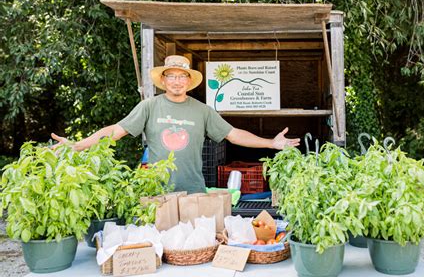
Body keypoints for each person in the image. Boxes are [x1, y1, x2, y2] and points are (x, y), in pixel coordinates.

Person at [52, 55, 300, 193]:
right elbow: (114, 132)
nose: (177, 81)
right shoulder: (149, 107)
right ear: (163, 79)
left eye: (182, 76)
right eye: (171, 76)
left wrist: (272, 143)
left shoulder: (202, 110)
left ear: (189, 81)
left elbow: (233, 134)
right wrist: (76, 146)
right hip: (157, 192)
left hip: (193, 190)